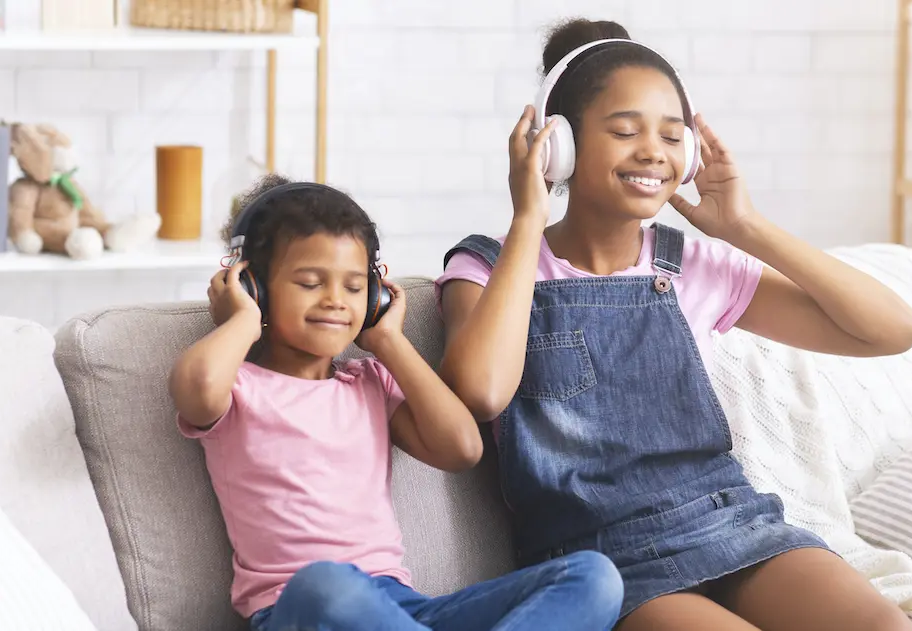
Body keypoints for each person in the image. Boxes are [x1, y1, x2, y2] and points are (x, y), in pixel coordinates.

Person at [435, 18, 912, 631]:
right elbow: (479, 391)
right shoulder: (485, 266)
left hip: (733, 522)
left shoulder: (692, 264)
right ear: (558, 143)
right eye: (624, 131)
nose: (652, 153)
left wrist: (746, 228)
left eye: (671, 137)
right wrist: (528, 216)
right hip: (604, 560)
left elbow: (892, 331)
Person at [169, 173, 625, 631]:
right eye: (310, 282)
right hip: (301, 607)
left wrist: (389, 341)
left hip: (403, 609)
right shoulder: (238, 387)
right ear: (254, 287)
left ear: (375, 296)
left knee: (593, 576)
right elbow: (196, 389)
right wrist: (243, 320)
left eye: (353, 287)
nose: (335, 301)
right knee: (325, 583)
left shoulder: (369, 382)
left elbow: (462, 447)